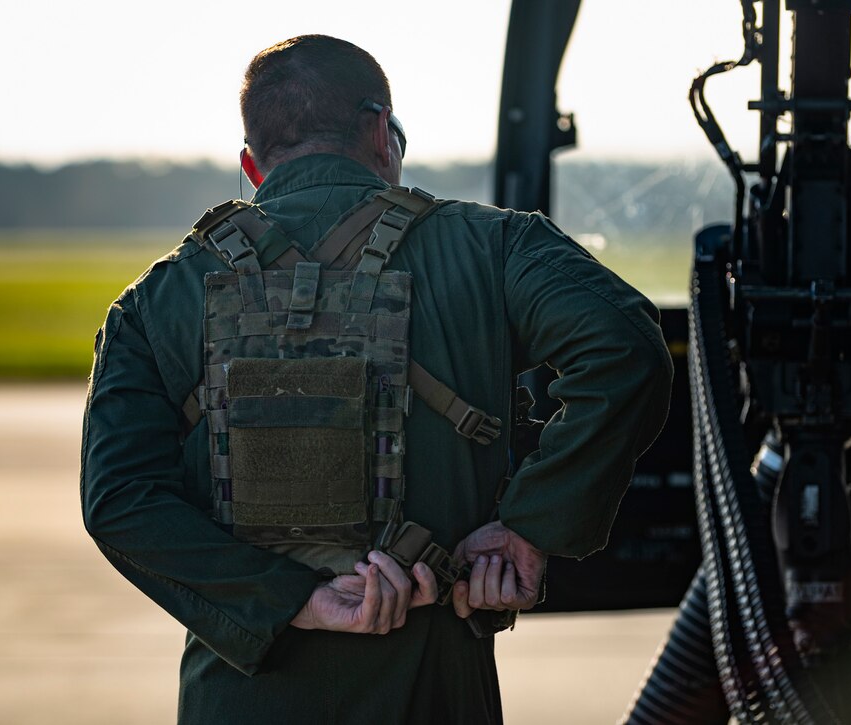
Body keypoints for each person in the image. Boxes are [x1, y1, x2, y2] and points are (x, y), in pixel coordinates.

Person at [80, 35, 673, 724]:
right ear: (378, 131)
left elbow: (119, 498)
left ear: (251, 164)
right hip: (435, 692)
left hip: (241, 696)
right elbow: (627, 347)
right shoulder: (495, 246)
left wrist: (291, 600)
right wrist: (529, 524)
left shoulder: (152, 301)